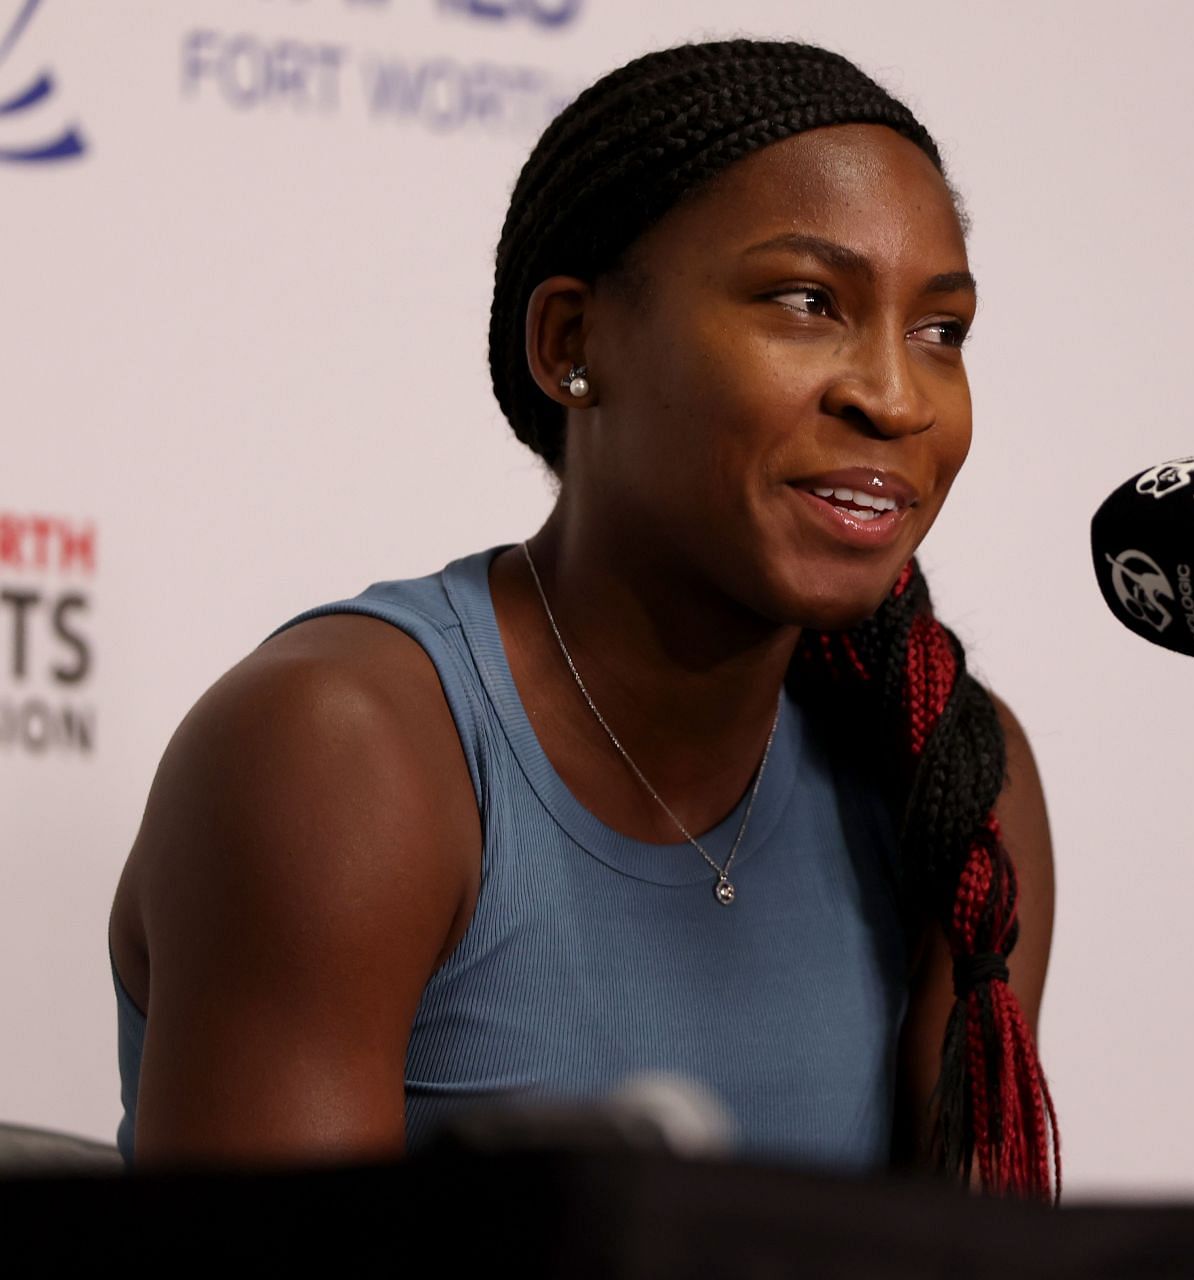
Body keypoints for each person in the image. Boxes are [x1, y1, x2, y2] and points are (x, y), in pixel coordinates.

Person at [106, 39, 1058, 1200]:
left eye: (941, 331)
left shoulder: (953, 772)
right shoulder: (344, 747)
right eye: (806, 302)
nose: (896, 395)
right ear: (573, 342)